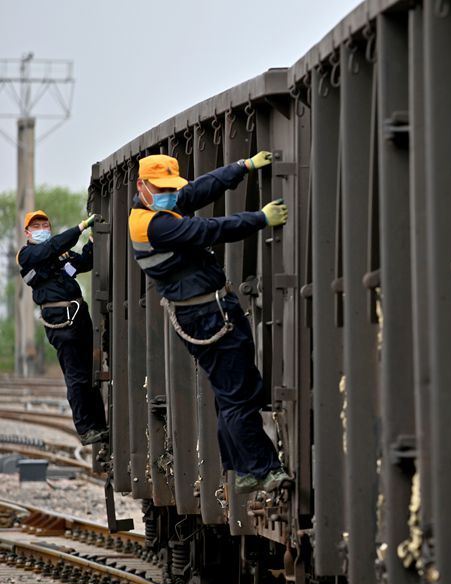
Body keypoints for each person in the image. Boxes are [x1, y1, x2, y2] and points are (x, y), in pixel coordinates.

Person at [129, 152, 290, 494]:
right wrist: (261, 218)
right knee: (237, 395)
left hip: (203, 312)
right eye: (163, 189)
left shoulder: (155, 205)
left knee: (233, 390)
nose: (172, 194)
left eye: (172, 188)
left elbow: (198, 191)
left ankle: (241, 467)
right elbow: (210, 228)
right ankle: (260, 468)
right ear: (142, 186)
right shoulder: (157, 224)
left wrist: (242, 167)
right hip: (207, 315)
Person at [17, 210, 108, 446]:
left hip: (78, 315)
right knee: (76, 375)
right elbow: (51, 248)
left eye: (44, 224)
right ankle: (85, 428)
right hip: (60, 320)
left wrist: (91, 243)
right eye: (36, 226)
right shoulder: (28, 255)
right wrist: (80, 228)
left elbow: (81, 265)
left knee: (89, 372)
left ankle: (100, 424)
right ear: (27, 232)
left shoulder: (61, 256)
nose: (41, 229)